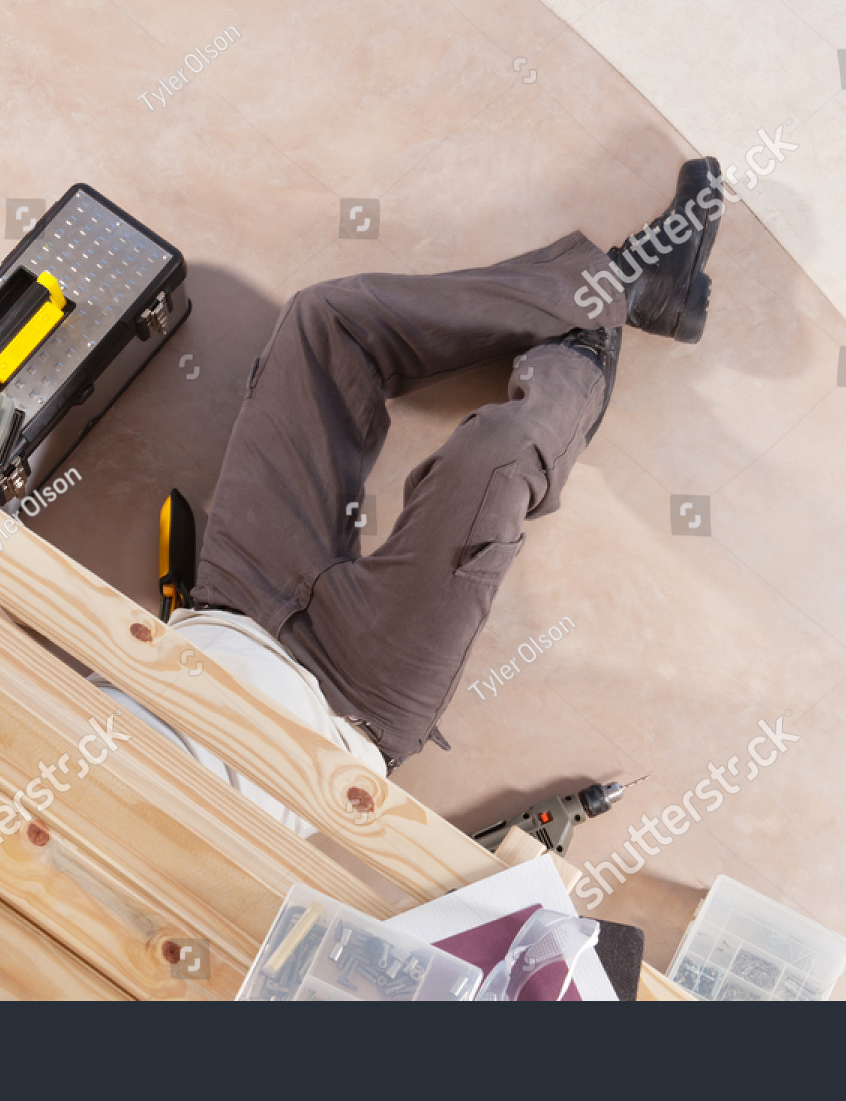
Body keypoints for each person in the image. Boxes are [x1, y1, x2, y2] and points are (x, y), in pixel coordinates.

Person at [96, 158, 724, 836]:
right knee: (496, 458)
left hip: (233, 603)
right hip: (354, 694)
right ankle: (604, 324)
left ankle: (622, 286)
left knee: (322, 325)